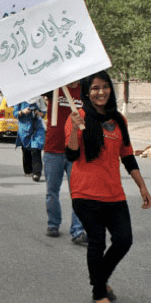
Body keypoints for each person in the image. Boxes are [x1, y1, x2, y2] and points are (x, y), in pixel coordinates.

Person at [66, 70, 151, 303]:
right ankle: (99, 293)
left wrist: (142, 186)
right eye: (94, 88)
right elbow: (71, 155)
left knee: (124, 240)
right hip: (85, 193)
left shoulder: (118, 120)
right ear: (87, 92)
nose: (100, 92)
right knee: (97, 240)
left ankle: (99, 279)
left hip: (114, 193)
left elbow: (127, 155)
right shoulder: (77, 117)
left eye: (104, 87)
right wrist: (74, 129)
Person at [42, 82, 87, 244]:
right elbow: (40, 83)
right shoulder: (54, 87)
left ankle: (78, 230)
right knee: (52, 191)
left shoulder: (85, 90)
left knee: (79, 192)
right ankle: (53, 224)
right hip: (53, 149)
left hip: (75, 150)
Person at [13, 96, 46, 181]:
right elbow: (15, 113)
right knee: (26, 149)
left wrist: (37, 112)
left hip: (37, 127)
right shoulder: (19, 99)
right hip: (24, 128)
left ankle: (36, 173)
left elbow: (43, 113)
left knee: (36, 149)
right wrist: (23, 112)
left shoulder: (39, 98)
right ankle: (28, 170)